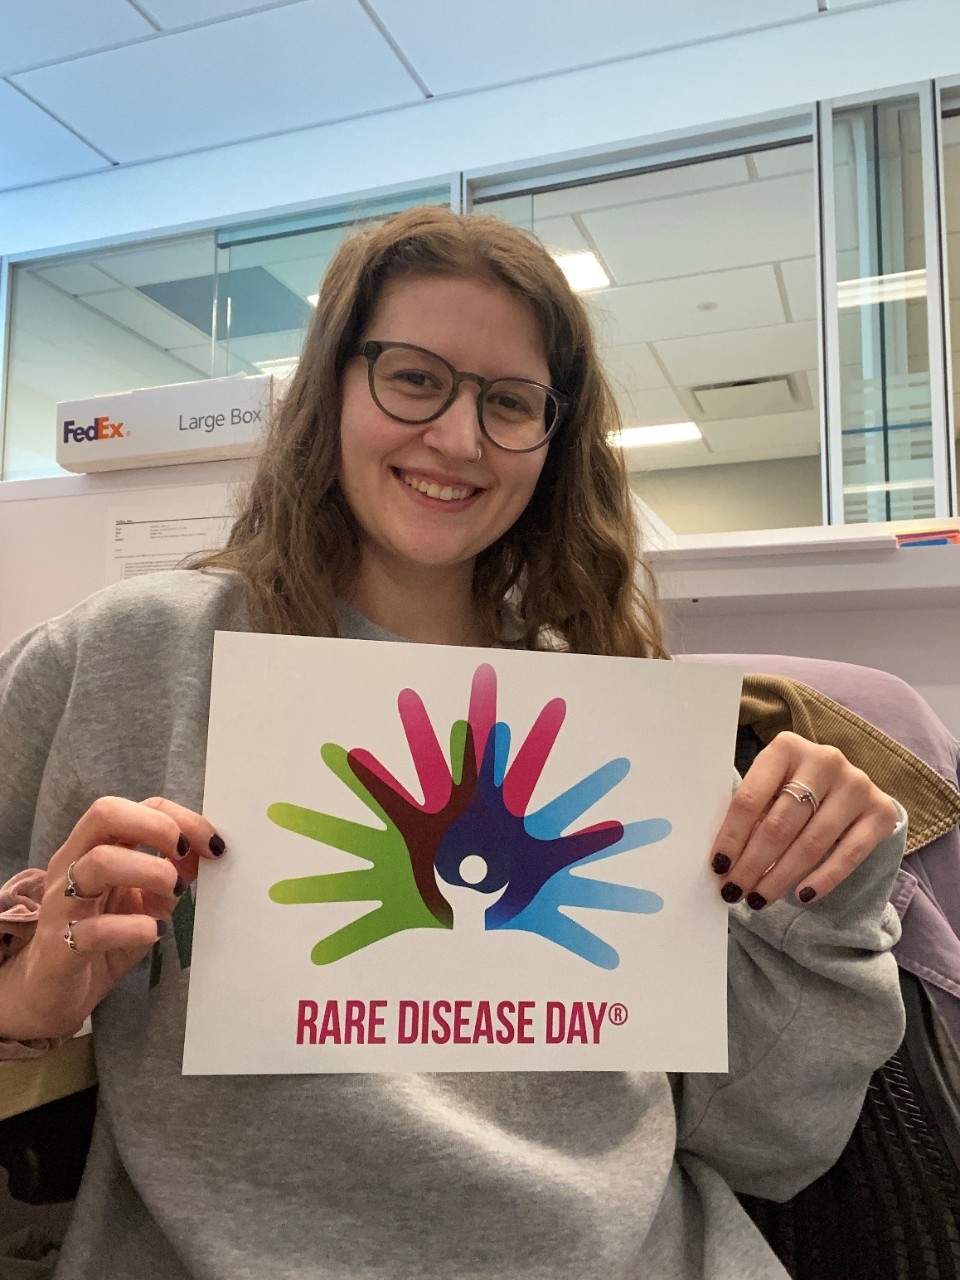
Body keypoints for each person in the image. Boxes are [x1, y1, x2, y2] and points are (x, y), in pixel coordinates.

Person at [0, 206, 905, 1280]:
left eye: (511, 401)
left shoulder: (617, 707)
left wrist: (832, 909)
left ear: (552, 438)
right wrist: (23, 1004)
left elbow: (769, 1142)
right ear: (335, 383)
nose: (461, 438)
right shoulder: (130, 654)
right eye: (416, 378)